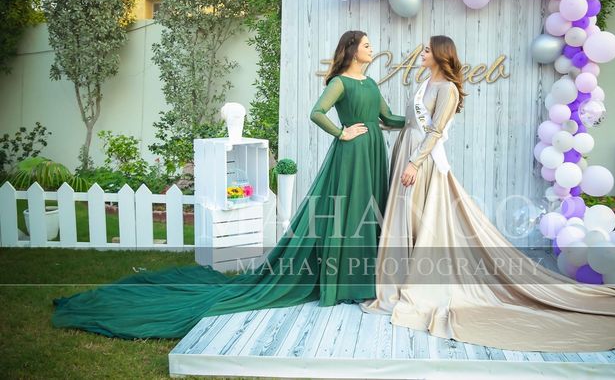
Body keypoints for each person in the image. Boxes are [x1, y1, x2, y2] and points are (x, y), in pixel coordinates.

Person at [51, 30, 406, 339]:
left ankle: (365, 283)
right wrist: (341, 131)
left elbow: (388, 117)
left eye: (371, 45)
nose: (371, 49)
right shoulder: (339, 82)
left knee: (369, 215)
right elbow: (316, 112)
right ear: (352, 49)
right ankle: (342, 284)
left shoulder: (372, 84)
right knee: (345, 214)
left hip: (374, 152)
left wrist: (427, 120)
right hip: (351, 154)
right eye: (366, 44)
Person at [360, 35, 615, 352]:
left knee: (424, 222)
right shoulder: (425, 84)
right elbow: (410, 123)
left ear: (441, 54)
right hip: (407, 152)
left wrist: (416, 162)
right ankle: (401, 279)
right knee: (406, 220)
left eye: (428, 50)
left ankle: (422, 283)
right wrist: (377, 126)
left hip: (423, 161)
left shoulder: (447, 90)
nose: (422, 53)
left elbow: (434, 130)